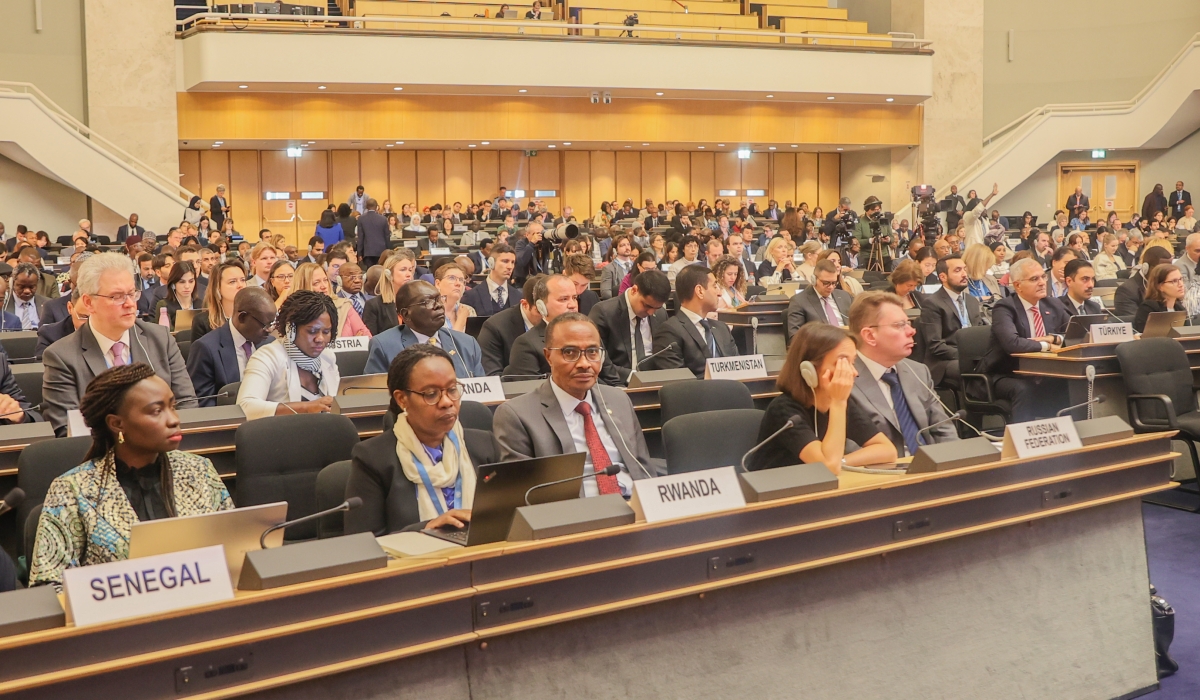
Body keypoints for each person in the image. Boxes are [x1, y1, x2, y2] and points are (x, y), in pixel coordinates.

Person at [28, 363, 233, 586]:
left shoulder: (199, 470)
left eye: (173, 407)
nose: (174, 419)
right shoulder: (72, 490)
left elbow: (236, 551)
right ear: (117, 424)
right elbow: (49, 586)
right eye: (157, 411)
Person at [345, 345, 504, 536]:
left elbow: (509, 516)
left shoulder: (485, 445)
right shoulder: (373, 459)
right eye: (431, 394)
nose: (446, 402)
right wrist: (426, 528)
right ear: (402, 399)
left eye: (452, 389)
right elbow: (363, 542)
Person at [493, 313, 659, 487]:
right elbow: (524, 492)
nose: (584, 364)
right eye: (570, 352)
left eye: (592, 352)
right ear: (548, 356)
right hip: (572, 509)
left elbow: (644, 470)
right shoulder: (517, 415)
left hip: (633, 504)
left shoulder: (618, 400)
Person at [43, 254, 196, 435]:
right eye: (117, 297)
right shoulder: (61, 356)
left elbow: (187, 404)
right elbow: (68, 431)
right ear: (89, 302)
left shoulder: (160, 339)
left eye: (132, 294)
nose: (130, 304)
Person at [747, 323, 896, 473]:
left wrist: (842, 461)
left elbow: (888, 451)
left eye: (852, 362)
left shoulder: (840, 402)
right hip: (775, 492)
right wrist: (838, 403)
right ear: (809, 369)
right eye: (842, 362)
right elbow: (828, 467)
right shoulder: (784, 410)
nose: (853, 372)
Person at [847, 292, 957, 457]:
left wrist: (955, 463)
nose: (912, 331)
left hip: (933, 466)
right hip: (883, 474)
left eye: (909, 323)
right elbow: (848, 449)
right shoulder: (843, 380)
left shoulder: (918, 371)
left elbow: (943, 429)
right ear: (870, 335)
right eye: (900, 325)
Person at [977, 258, 1071, 422]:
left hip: (1044, 371)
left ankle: (1065, 437)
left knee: (1068, 384)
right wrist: (1046, 345)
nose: (1042, 283)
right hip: (1006, 374)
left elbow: (1075, 335)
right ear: (1018, 285)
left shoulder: (1053, 304)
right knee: (1023, 389)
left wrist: (1055, 337)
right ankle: (1023, 441)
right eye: (1034, 279)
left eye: (1043, 277)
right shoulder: (1005, 307)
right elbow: (1012, 344)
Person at [237, 290, 340, 419]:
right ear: (291, 330)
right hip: (281, 436)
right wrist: (307, 408)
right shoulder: (267, 357)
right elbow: (245, 406)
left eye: (326, 332)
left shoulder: (327, 357)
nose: (320, 339)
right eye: (312, 331)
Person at [504, 274, 623, 385]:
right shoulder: (526, 344)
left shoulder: (591, 336)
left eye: (574, 298)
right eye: (564, 299)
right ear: (541, 306)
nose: (572, 305)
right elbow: (531, 392)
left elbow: (613, 381)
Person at [364, 281, 485, 377]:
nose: (438, 305)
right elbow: (377, 398)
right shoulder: (384, 346)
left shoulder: (467, 343)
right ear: (406, 315)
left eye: (439, 299)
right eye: (428, 302)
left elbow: (484, 396)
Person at [186, 287, 276, 407]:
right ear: (242, 317)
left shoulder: (269, 344)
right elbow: (204, 403)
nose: (269, 330)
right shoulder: (206, 348)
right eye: (265, 325)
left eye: (272, 324)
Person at [650, 265, 737, 377]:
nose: (719, 293)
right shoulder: (670, 331)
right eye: (715, 286)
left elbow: (738, 368)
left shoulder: (722, 328)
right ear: (699, 291)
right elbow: (678, 383)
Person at [589, 269, 670, 382]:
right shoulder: (604, 312)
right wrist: (634, 377)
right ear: (634, 290)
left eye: (656, 308)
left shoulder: (660, 314)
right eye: (647, 306)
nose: (651, 313)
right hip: (617, 383)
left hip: (654, 381)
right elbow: (597, 359)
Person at [918, 255, 983, 391]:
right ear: (943, 277)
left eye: (964, 269)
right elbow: (936, 345)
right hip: (944, 362)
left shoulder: (972, 301)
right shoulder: (932, 303)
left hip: (972, 355)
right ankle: (978, 409)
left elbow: (980, 332)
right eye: (958, 270)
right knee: (973, 369)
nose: (964, 274)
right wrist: (967, 356)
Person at [479, 276, 542, 376]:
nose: (546, 316)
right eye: (540, 311)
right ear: (525, 304)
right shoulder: (495, 327)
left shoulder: (563, 324)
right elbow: (493, 377)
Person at [293, 262, 370, 338]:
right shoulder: (293, 313)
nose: (324, 286)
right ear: (303, 286)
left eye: (325, 280)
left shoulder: (344, 306)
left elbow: (366, 338)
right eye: (316, 283)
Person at [785, 259, 853, 341]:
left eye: (834, 283)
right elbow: (795, 338)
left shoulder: (845, 296)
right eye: (826, 283)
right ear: (814, 280)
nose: (831, 287)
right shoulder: (799, 301)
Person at [362, 250, 416, 336]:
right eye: (403, 270)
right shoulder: (374, 306)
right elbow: (372, 340)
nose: (409, 274)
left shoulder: (417, 302)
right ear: (389, 274)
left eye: (410, 270)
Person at [461, 243, 521, 317]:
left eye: (512, 262)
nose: (510, 267)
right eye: (505, 261)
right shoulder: (471, 296)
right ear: (491, 262)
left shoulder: (519, 296)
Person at [1114, 246, 1174, 317]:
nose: (1165, 274)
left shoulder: (1168, 286)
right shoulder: (1126, 291)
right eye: (1160, 270)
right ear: (1146, 268)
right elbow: (1136, 322)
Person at [36, 288, 89, 360]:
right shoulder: (50, 335)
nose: (91, 322)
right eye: (84, 317)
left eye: (96, 317)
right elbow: (43, 367)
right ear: (70, 308)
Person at [1133, 263, 1187, 333]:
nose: (1181, 284)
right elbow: (1144, 337)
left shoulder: (1180, 308)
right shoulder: (1149, 308)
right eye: (1174, 281)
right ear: (1160, 286)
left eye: (1181, 279)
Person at [153, 261, 198, 331]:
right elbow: (165, 334)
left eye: (191, 281)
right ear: (173, 284)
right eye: (182, 282)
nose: (187, 286)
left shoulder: (202, 303)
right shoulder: (164, 305)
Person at [4, 262, 51, 329]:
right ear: (12, 283)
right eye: (22, 286)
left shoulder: (48, 304)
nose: (27, 291)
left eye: (31, 287)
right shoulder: (4, 304)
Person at [436, 263, 476, 334]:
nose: (458, 283)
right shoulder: (430, 312)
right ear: (438, 284)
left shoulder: (470, 311)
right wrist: (461, 321)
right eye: (452, 278)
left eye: (461, 280)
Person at [960, 183, 1000, 248]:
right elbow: (977, 211)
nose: (984, 208)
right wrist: (991, 195)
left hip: (984, 249)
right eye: (983, 206)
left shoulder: (984, 220)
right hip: (973, 250)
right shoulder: (968, 216)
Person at [355, 197, 390, 268]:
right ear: (377, 207)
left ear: (366, 206)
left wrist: (359, 253)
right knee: (381, 271)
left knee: (370, 272)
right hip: (381, 251)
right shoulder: (383, 219)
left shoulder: (361, 218)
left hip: (367, 251)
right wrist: (388, 251)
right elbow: (387, 236)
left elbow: (360, 237)